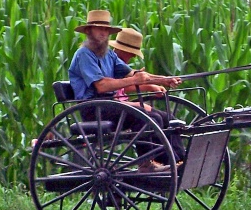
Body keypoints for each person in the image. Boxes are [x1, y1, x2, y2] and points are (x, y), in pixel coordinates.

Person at [68, 10, 182, 172]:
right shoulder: (84, 54)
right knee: (147, 118)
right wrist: (134, 80)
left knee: (165, 117)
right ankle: (147, 163)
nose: (103, 33)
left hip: (110, 105)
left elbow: (133, 74)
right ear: (88, 31)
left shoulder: (108, 55)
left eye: (106, 29)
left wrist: (163, 79)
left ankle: (179, 160)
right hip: (93, 108)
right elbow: (101, 85)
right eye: (98, 29)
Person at [109, 27, 187, 163]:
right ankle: (161, 161)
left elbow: (131, 83)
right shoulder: (111, 62)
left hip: (121, 104)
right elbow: (116, 90)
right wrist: (161, 80)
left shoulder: (118, 63)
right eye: (131, 53)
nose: (133, 56)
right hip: (113, 106)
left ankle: (181, 158)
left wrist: (154, 84)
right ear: (121, 49)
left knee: (167, 118)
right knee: (152, 118)